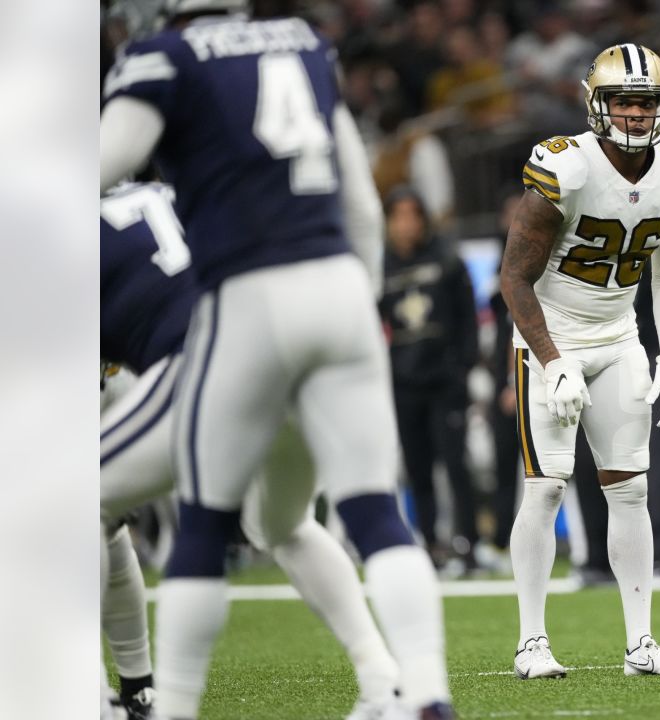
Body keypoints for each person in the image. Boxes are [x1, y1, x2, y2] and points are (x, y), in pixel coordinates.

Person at [99, 3, 453, 717]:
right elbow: (360, 205)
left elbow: (89, 170)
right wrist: (362, 300)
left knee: (194, 521)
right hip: (339, 290)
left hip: (245, 302)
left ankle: (160, 703)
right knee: (361, 514)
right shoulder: (307, 44)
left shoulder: (163, 59)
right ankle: (414, 690)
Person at [99, 183, 404, 720]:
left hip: (214, 355)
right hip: (299, 334)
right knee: (282, 524)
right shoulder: (171, 189)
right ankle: (386, 683)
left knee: (75, 502)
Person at [499, 43, 660, 679]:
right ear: (598, 104)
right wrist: (551, 358)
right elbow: (514, 277)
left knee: (631, 489)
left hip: (618, 336)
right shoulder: (567, 167)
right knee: (547, 485)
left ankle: (641, 644)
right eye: (626, 102)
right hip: (550, 332)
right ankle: (532, 643)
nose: (638, 115)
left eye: (648, 103)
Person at [379, 187, 481, 571]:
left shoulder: (447, 260)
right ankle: (430, 546)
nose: (406, 224)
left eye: (412, 215)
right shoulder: (381, 268)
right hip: (404, 384)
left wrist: (462, 368)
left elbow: (468, 319)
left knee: (456, 464)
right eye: (398, 216)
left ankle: (468, 545)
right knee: (418, 468)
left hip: (445, 382)